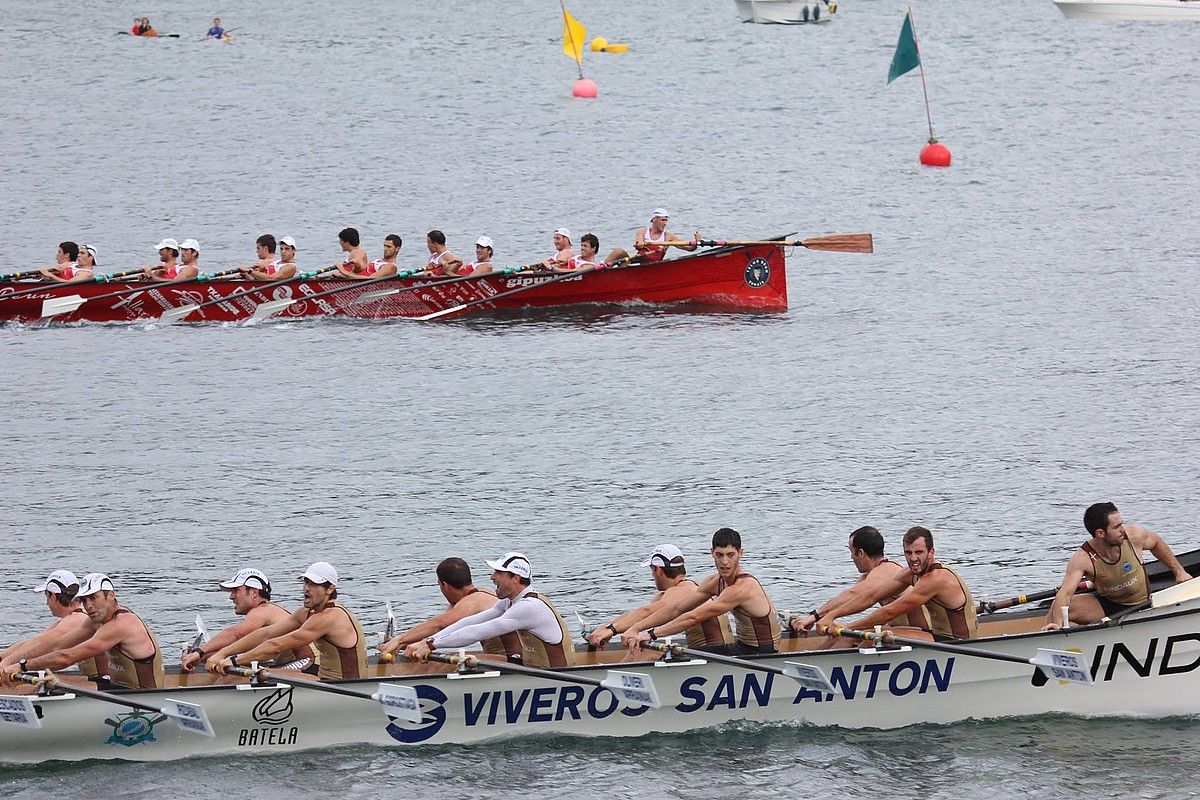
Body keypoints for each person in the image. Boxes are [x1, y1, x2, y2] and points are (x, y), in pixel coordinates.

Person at [624, 528, 781, 655]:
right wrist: (636, 628)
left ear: (740, 553)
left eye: (730, 555)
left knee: (676, 657)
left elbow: (694, 617)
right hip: (741, 647)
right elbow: (677, 608)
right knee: (676, 655)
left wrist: (651, 635)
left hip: (763, 654)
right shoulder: (714, 582)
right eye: (719, 555)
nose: (724, 562)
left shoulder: (743, 587)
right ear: (712, 552)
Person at [404, 552, 576, 668]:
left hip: (557, 678)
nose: (492, 577)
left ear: (515, 578)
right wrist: (430, 641)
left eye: (498, 572)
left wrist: (431, 644)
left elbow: (478, 632)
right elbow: (471, 622)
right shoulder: (509, 602)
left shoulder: (529, 607)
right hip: (537, 672)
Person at [1042, 502, 1191, 630]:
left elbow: (1157, 543)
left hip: (1143, 603)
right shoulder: (1082, 558)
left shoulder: (1134, 536)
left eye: (1122, 524)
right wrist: (1057, 624)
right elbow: (1065, 593)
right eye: (1117, 527)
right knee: (1056, 611)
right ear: (1100, 533)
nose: (1122, 530)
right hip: (1110, 604)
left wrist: (1179, 572)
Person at [207, 562, 367, 681]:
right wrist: (223, 653)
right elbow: (266, 634)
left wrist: (234, 660)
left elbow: (276, 645)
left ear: (330, 589)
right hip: (323, 681)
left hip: (344, 687)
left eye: (313, 584)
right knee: (249, 672)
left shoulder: (329, 617)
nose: (306, 588)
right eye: (305, 582)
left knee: (247, 676)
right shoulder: (306, 612)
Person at [4, 573, 164, 689]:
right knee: (49, 681)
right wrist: (10, 664)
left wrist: (22, 666)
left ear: (111, 596)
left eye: (94, 598)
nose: (88, 606)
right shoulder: (94, 620)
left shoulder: (123, 623)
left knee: (54, 683)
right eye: (84, 600)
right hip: (115, 687)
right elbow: (58, 646)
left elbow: (67, 658)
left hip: (143, 698)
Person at [828, 526, 977, 641]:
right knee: (857, 636)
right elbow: (871, 597)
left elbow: (890, 611)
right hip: (934, 635)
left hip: (956, 643)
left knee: (868, 637)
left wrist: (848, 626)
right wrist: (831, 616)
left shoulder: (937, 578)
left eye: (918, 552)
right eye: (908, 553)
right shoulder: (909, 573)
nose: (913, 558)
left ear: (931, 552)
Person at [586, 545, 733, 651]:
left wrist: (611, 630)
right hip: (703, 655)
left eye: (651, 570)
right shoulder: (668, 594)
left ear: (658, 570)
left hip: (716, 658)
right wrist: (604, 629)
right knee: (643, 648)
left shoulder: (685, 589)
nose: (652, 575)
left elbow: (647, 612)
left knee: (646, 654)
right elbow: (639, 615)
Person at [788, 526, 928, 636]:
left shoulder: (887, 570)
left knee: (847, 638)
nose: (851, 558)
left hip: (922, 635)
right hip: (901, 631)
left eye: (851, 551)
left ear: (860, 553)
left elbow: (856, 594)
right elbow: (849, 601)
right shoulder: (869, 576)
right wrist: (819, 618)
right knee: (844, 635)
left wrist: (814, 617)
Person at [180, 569, 316, 673]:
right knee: (239, 666)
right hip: (298, 662)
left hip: (308, 662)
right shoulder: (264, 615)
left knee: (239, 676)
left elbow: (235, 634)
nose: (231, 597)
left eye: (235, 590)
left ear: (254, 592)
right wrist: (204, 657)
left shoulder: (263, 610)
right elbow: (245, 650)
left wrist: (199, 651)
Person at [378, 557, 515, 659]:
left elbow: (439, 625)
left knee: (441, 663)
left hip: (511, 662)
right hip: (496, 658)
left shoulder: (474, 601)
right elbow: (435, 631)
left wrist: (400, 639)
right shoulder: (465, 600)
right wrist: (398, 644)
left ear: (445, 585)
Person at [0, 571, 108, 681]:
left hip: (105, 686)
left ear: (52, 595)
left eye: (46, 596)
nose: (47, 603)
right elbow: (32, 643)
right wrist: (3, 657)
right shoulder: (69, 620)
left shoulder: (77, 619)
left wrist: (6, 664)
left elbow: (44, 644)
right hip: (95, 681)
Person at [605, 208, 698, 264]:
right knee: (618, 251)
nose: (665, 223)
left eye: (666, 220)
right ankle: (600, 269)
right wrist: (639, 244)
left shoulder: (669, 237)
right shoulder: (642, 231)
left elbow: (689, 248)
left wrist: (696, 242)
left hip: (654, 266)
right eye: (663, 220)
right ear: (654, 220)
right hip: (638, 263)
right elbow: (639, 244)